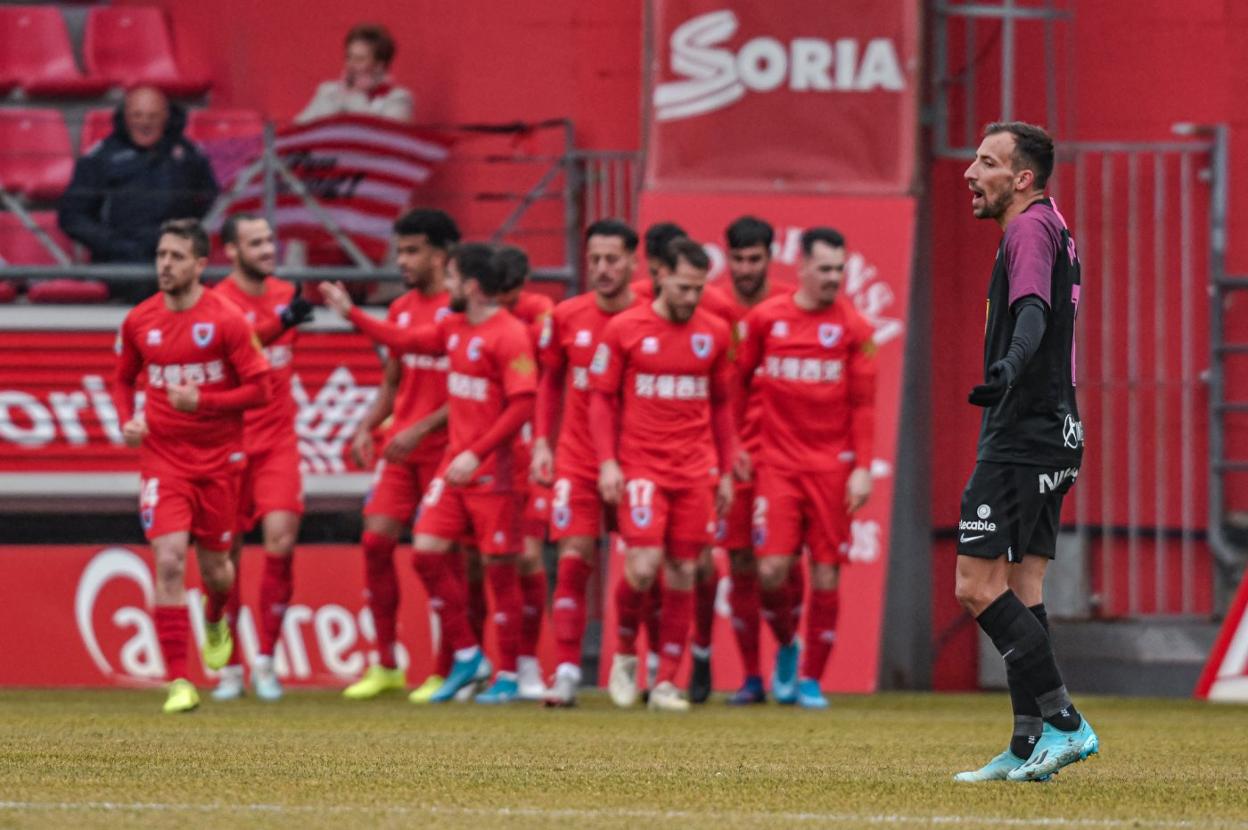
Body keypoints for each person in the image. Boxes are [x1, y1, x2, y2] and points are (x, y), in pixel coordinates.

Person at [319, 242, 537, 705]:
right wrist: (352, 313)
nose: (449, 287)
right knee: (425, 552)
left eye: (455, 279)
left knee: (499, 572)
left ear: (473, 286)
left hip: (493, 472)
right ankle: (469, 656)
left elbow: (522, 406)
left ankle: (511, 677)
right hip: (455, 469)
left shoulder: (510, 335)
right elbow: (404, 342)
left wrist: (475, 454)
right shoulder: (454, 327)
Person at [953, 121, 1096, 782]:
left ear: (1021, 179)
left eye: (985, 162)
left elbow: (1033, 307)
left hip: (1025, 430)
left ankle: (1067, 724)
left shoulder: (1028, 228)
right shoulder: (1058, 225)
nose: (969, 173)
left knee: (975, 586)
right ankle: (1026, 743)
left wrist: (1009, 365)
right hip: (1060, 428)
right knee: (1022, 583)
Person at [111, 219, 272, 713]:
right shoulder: (140, 320)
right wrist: (128, 420)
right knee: (169, 560)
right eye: (161, 255)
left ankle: (217, 617)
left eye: (177, 256)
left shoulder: (226, 320)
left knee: (218, 572)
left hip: (220, 462)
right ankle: (179, 680)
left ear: (201, 265)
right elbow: (121, 380)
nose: (165, 265)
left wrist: (202, 400)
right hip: (163, 459)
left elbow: (260, 391)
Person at [590, 237, 736, 712]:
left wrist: (727, 471)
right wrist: (608, 462)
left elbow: (721, 406)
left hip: (695, 469)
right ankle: (627, 655)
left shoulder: (713, 333)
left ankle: (667, 682)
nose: (691, 298)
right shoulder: (625, 328)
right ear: (659, 277)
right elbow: (601, 399)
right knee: (644, 566)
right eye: (682, 287)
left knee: (685, 570)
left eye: (698, 289)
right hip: (642, 467)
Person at [737, 227, 876, 710]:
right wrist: (735, 442)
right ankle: (788, 646)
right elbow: (735, 382)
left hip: (831, 468)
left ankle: (812, 681)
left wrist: (861, 469)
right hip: (776, 464)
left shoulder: (856, 329)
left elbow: (863, 406)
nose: (833, 278)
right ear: (801, 268)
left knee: (826, 574)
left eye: (839, 269)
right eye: (824, 269)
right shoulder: (764, 320)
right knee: (771, 570)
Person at [338, 209, 458, 703]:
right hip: (401, 451)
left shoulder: (461, 309)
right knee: (374, 543)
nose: (402, 260)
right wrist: (366, 425)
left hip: (447, 453)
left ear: (440, 254)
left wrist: (423, 427)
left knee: (445, 561)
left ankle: (447, 669)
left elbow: (474, 395)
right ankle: (386, 662)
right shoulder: (402, 309)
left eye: (412, 251)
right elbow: (393, 381)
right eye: (400, 251)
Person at [532, 219, 641, 707]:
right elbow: (550, 382)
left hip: (640, 458)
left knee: (645, 569)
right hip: (577, 457)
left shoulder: (650, 318)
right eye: (594, 259)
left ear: (633, 261)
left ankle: (634, 663)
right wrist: (541, 441)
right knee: (573, 559)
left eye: (612, 259)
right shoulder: (566, 315)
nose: (601, 268)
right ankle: (568, 671)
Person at [210, 214, 314, 702]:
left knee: (282, 539)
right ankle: (230, 666)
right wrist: (280, 325)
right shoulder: (217, 304)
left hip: (277, 441)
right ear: (231, 251)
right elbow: (238, 354)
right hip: (229, 444)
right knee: (224, 560)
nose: (268, 249)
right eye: (256, 242)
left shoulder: (286, 295)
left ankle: (267, 662)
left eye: (271, 239)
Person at [708, 215, 792, 706]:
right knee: (738, 559)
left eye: (754, 259)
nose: (744, 268)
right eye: (737, 259)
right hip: (729, 454)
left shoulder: (787, 307)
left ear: (769, 257)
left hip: (782, 452)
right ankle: (751, 675)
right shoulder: (711, 308)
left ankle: (787, 647)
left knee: (778, 567)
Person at [59, 87, 219, 302]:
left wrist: (183, 240)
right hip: (120, 262)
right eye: (137, 115)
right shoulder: (101, 157)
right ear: (125, 117)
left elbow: (210, 203)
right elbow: (72, 216)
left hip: (177, 258)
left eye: (153, 116)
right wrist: (114, 244)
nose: (145, 123)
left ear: (166, 117)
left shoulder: (189, 155)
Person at [495, 245, 556, 700]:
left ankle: (529, 664)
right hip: (489, 450)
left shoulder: (539, 314)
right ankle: (499, 667)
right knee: (486, 561)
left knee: (529, 556)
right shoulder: (478, 321)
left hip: (530, 448)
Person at [296, 23, 414, 124]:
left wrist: (354, 95)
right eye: (349, 57)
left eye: (359, 59)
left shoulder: (397, 98)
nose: (351, 64)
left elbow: (384, 139)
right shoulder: (329, 92)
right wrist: (334, 98)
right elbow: (300, 129)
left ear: (379, 65)